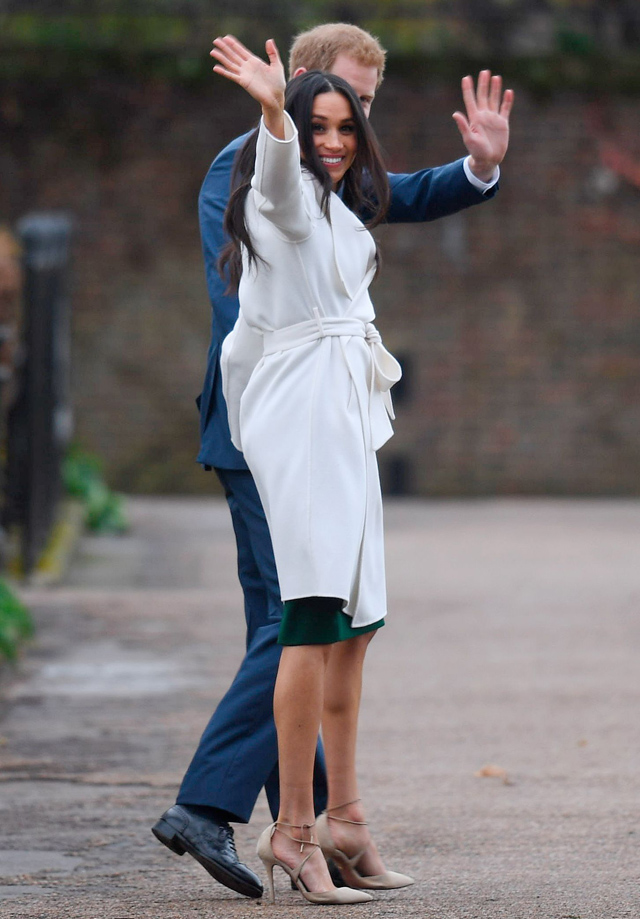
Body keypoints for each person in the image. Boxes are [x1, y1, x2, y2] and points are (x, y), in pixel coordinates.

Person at [152, 23, 512, 900]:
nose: (351, 127)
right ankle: (220, 807)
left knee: (318, 626)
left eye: (363, 111)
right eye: (340, 104)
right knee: (298, 623)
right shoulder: (257, 163)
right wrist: (277, 123)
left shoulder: (336, 177)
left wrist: (478, 170)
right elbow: (247, 290)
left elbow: (398, 192)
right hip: (273, 427)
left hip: (328, 419)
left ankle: (323, 819)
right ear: (299, 83)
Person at [213, 32, 414, 904]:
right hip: (301, 416)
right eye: (318, 125)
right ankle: (292, 830)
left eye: (346, 126)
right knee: (309, 615)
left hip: (345, 413)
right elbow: (278, 182)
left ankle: (347, 817)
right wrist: (272, 115)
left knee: (356, 624)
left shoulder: (339, 206)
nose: (333, 140)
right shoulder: (282, 194)